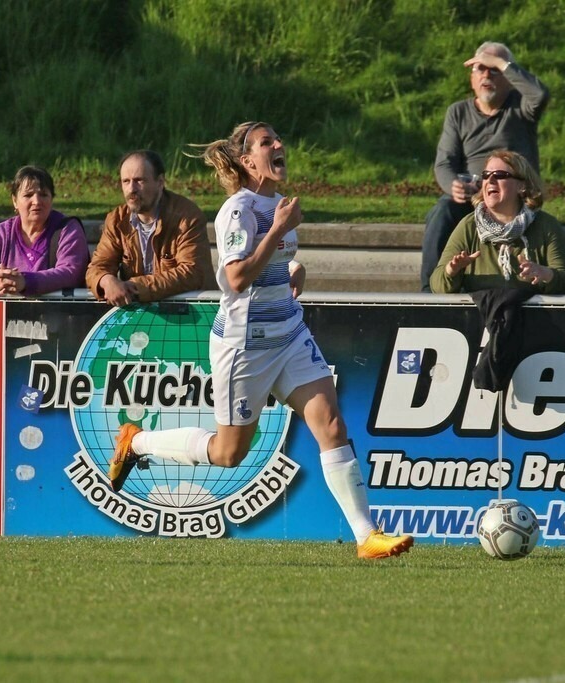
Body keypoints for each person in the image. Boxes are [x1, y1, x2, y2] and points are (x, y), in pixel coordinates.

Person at [107, 121, 413, 559]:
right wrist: (277, 231)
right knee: (229, 453)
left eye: (278, 139)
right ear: (248, 161)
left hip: (288, 333)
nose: (279, 145)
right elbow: (235, 277)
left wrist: (293, 270)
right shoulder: (239, 209)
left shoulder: (278, 205)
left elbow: (268, 267)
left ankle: (367, 536)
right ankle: (137, 442)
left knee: (331, 424)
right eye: (267, 142)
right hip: (244, 345)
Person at [421, 41, 550, 292]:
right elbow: (445, 162)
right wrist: (453, 186)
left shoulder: (522, 109)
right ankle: (429, 291)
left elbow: (540, 94)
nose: (486, 75)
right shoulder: (458, 112)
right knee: (441, 211)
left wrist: (502, 62)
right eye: (480, 68)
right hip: (474, 196)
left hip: (513, 195)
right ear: (471, 79)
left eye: (494, 70)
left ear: (510, 77)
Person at [430, 150, 565, 295]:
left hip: (533, 318)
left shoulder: (546, 225)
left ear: (522, 186)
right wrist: (452, 270)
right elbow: (437, 286)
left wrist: (545, 274)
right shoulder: (469, 225)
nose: (490, 180)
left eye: (500, 175)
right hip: (481, 317)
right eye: (486, 175)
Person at [86, 150, 216, 306]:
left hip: (191, 314)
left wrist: (135, 287)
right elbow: (97, 267)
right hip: (141, 315)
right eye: (125, 181)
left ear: (160, 182)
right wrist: (106, 280)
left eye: (139, 180)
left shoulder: (187, 217)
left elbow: (192, 272)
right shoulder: (117, 220)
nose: (131, 189)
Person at [0, 166, 89, 295]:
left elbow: (71, 273)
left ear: (52, 199)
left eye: (43, 195)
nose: (36, 201)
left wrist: (25, 281)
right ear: (15, 201)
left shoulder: (68, 229)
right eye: (28, 195)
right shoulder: (2, 233)